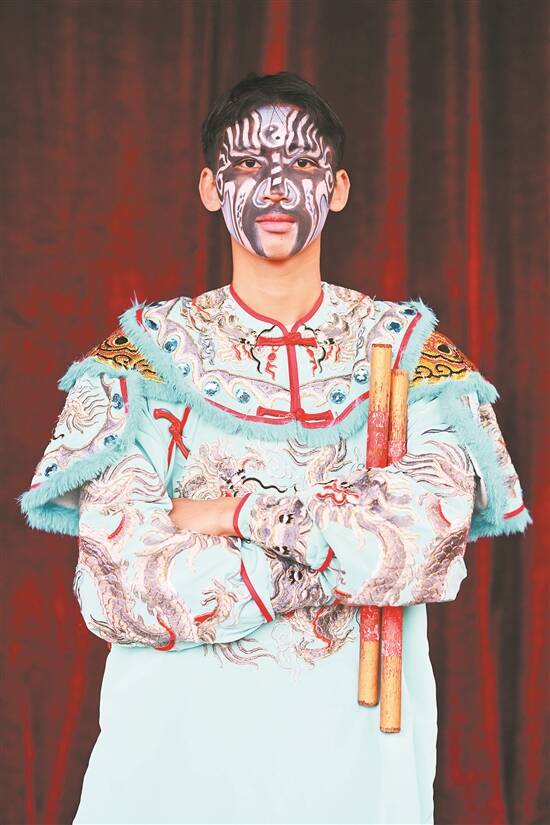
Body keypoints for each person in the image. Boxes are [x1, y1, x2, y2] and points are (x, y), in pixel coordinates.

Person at [20, 72, 530, 825]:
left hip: (356, 768)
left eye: (304, 163)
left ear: (340, 188)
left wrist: (226, 514)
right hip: (171, 766)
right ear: (209, 187)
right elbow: (119, 585)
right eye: (249, 164)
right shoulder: (142, 360)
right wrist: (339, 545)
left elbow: (424, 543)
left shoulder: (411, 352)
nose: (278, 187)